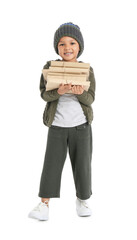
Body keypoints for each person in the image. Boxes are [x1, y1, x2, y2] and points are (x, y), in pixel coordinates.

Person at [28, 22, 96, 221]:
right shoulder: (49, 66)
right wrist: (58, 92)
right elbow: (44, 95)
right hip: (57, 126)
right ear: (57, 48)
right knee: (51, 165)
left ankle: (82, 199)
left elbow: (90, 99)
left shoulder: (87, 69)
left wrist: (80, 92)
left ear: (79, 47)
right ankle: (44, 204)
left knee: (83, 165)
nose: (67, 48)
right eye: (62, 44)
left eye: (72, 43)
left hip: (81, 127)